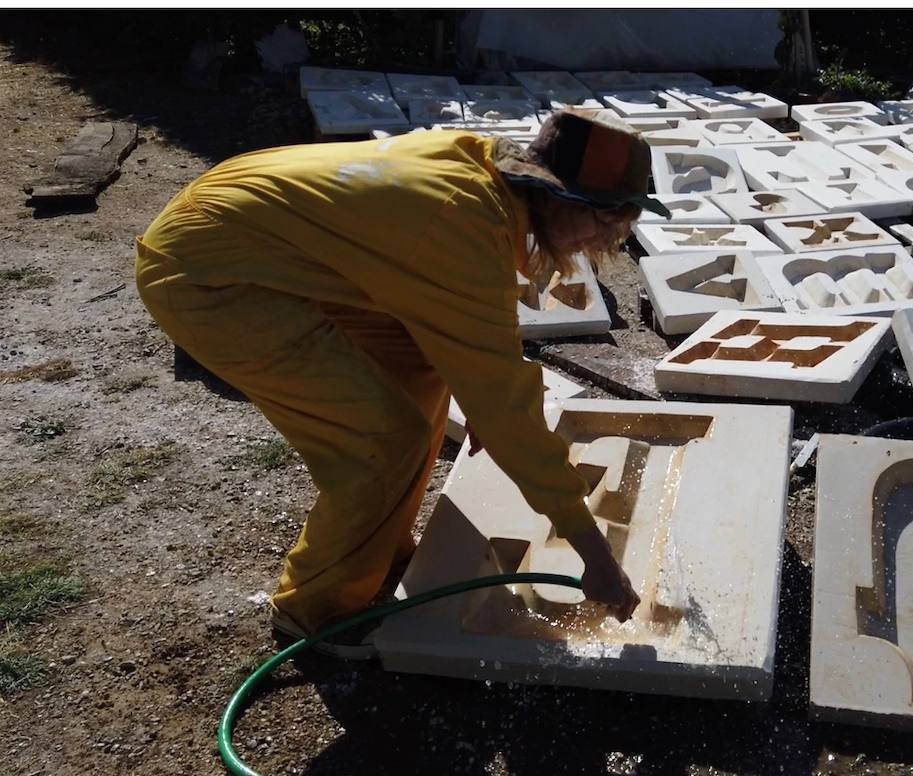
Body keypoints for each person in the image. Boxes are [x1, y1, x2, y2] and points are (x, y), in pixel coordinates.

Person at [134, 110, 670, 659]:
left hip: (255, 234)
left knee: (421, 364)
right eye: (606, 223)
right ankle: (316, 612)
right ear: (559, 198)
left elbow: (473, 338)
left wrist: (485, 403)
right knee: (380, 441)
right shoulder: (461, 225)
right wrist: (594, 555)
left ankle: (380, 545)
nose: (606, 242)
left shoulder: (482, 172)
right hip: (209, 273)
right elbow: (506, 402)